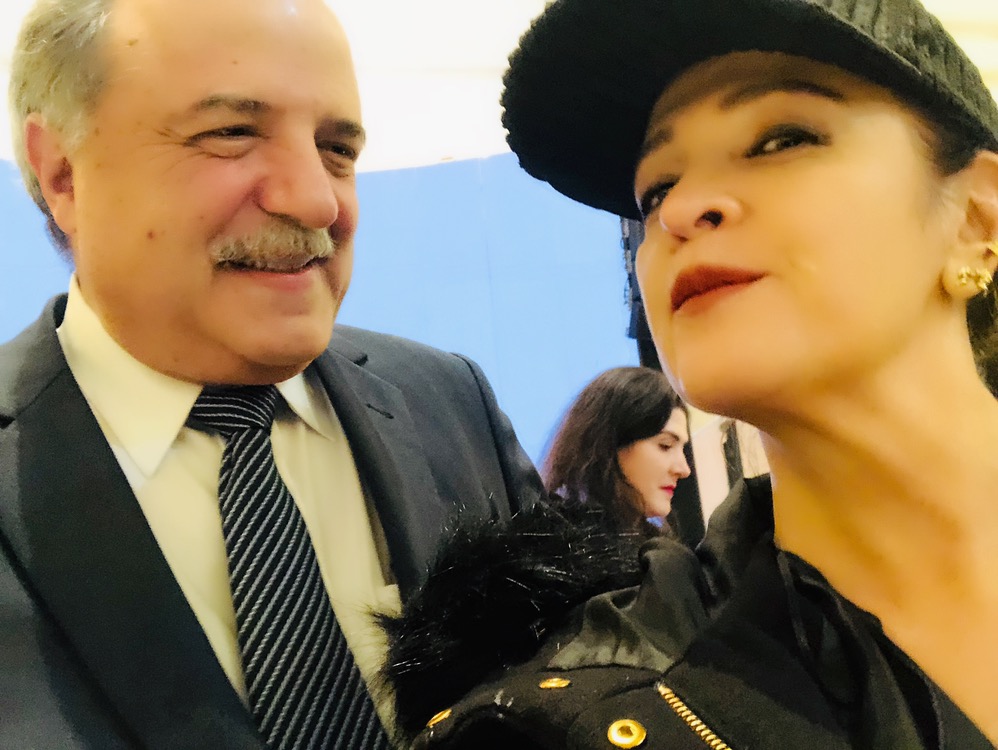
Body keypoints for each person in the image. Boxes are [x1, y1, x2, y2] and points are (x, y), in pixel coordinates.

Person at [379, 0, 998, 747]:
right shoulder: (562, 724)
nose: (679, 211)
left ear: (978, 218)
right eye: (656, 190)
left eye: (781, 139)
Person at [0, 0, 542, 748]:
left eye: (337, 149)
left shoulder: (450, 405)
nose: (316, 200)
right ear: (63, 173)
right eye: (232, 134)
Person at [542, 366, 691, 536]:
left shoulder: (652, 544)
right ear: (608, 445)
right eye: (665, 445)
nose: (684, 470)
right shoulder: (555, 544)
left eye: (682, 450)